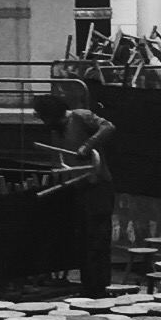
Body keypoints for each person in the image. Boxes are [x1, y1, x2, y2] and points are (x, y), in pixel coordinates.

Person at [34, 91, 116, 296]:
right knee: (83, 239)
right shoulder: (59, 130)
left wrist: (88, 145)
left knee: (97, 238)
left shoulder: (79, 116)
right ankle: (88, 286)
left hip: (98, 187)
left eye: (45, 118)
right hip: (79, 187)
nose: (45, 123)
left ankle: (98, 287)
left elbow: (108, 127)